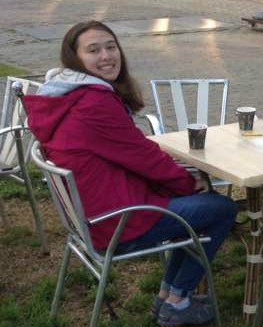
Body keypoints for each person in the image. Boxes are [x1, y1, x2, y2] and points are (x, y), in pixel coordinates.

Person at [23, 21, 237, 327]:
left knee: (192, 204)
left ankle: (167, 295)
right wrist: (190, 181)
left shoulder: (65, 95)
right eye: (93, 50)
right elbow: (143, 158)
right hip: (116, 220)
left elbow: (132, 152)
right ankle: (177, 302)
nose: (107, 56)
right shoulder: (93, 102)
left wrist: (181, 183)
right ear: (75, 58)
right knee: (220, 209)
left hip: (91, 215)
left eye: (111, 47)